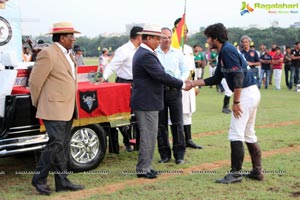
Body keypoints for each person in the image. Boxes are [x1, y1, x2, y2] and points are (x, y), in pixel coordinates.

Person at [184, 23, 263, 184]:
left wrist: (236, 101)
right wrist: (193, 83)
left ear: (215, 38)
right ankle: (257, 171)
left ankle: (235, 174)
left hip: (246, 93)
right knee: (248, 133)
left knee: (236, 134)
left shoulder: (227, 50)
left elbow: (239, 76)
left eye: (209, 38)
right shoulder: (224, 51)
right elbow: (216, 78)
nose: (207, 41)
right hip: (251, 92)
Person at [29, 22, 84, 195]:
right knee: (56, 143)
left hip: (67, 107)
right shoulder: (48, 53)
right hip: (53, 107)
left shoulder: (68, 54)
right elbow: (34, 82)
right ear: (62, 37)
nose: (74, 39)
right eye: (71, 36)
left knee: (62, 145)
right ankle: (39, 179)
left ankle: (62, 181)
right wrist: (40, 103)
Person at [131, 24, 184, 179]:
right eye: (157, 39)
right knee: (148, 136)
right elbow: (161, 75)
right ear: (147, 38)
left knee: (151, 135)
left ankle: (146, 166)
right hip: (146, 102)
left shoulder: (145, 53)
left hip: (147, 101)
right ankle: (143, 168)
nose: (159, 42)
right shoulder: (146, 55)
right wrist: (182, 84)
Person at [102, 26, 143, 153]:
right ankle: (126, 141)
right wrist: (102, 78)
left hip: (138, 85)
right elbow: (112, 66)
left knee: (138, 115)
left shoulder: (141, 49)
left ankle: (137, 143)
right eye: (144, 36)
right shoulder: (124, 50)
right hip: (124, 85)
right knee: (124, 116)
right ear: (138, 36)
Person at [155, 27, 189, 164]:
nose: (167, 40)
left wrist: (179, 81)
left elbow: (186, 69)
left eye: (169, 37)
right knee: (161, 124)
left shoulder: (177, 52)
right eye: (164, 37)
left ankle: (179, 155)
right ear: (159, 39)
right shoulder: (154, 53)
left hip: (175, 91)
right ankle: (164, 154)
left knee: (177, 123)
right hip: (159, 91)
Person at [173, 18, 203, 149]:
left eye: (186, 31)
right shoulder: (173, 48)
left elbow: (192, 69)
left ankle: (188, 139)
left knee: (188, 112)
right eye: (181, 30)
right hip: (178, 86)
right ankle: (179, 141)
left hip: (189, 85)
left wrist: (195, 85)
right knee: (177, 114)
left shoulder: (189, 49)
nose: (184, 34)